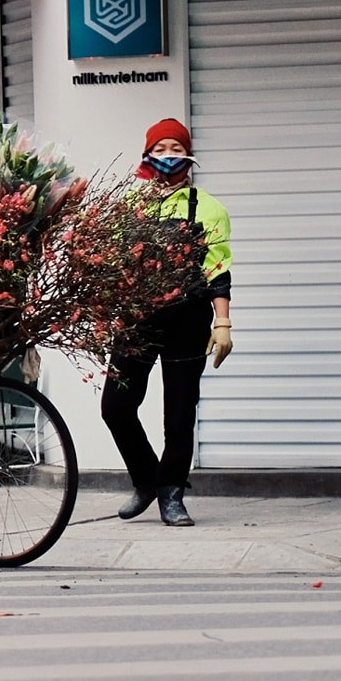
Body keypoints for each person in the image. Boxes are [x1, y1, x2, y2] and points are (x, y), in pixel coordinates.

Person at [101, 118, 233, 528]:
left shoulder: (207, 207)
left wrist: (223, 322)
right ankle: (147, 481)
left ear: (188, 155)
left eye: (176, 148)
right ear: (147, 155)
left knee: (179, 414)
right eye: (160, 149)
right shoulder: (129, 209)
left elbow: (218, 269)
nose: (168, 156)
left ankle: (172, 494)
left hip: (188, 321)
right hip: (137, 320)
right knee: (116, 407)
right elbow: (110, 267)